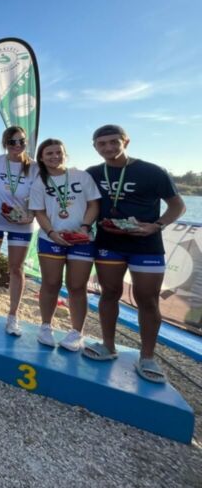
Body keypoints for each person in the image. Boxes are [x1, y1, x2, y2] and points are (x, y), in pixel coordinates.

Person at [83, 125, 185, 383]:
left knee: (148, 299)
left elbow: (178, 205)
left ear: (125, 142)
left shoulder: (152, 171)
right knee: (109, 294)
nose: (108, 148)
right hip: (108, 242)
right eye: (102, 144)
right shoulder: (92, 173)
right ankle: (108, 346)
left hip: (146, 244)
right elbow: (84, 203)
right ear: (95, 147)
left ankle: (148, 356)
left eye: (113, 142)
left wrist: (157, 225)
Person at [29, 139, 100, 351]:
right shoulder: (39, 182)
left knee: (77, 287)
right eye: (49, 153)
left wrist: (85, 227)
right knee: (51, 284)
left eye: (58, 152)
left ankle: (77, 332)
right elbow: (39, 212)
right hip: (51, 239)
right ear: (41, 157)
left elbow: (94, 204)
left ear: (65, 154)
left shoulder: (81, 176)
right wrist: (51, 232)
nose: (54, 156)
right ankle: (45, 326)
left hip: (82, 239)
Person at [0, 126, 38, 336]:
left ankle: (13, 316)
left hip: (22, 223)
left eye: (21, 141)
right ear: (5, 143)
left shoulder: (34, 167)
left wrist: (29, 215)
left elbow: (39, 196)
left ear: (26, 143)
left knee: (16, 268)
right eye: (12, 142)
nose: (17, 145)